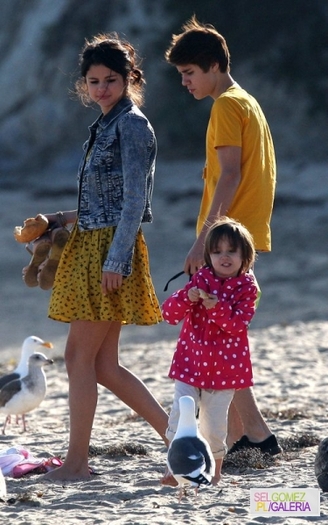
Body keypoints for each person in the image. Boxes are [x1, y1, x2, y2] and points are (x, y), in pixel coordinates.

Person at [39, 33, 169, 481]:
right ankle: (180, 441)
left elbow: (134, 201)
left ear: (130, 78)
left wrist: (116, 261)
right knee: (103, 365)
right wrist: (60, 218)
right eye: (93, 81)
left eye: (111, 80)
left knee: (79, 358)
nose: (101, 89)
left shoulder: (132, 125)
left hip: (109, 250)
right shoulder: (106, 122)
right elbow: (105, 199)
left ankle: (77, 463)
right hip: (94, 241)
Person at [165, 17, 281, 455]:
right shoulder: (247, 101)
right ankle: (249, 433)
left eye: (189, 73)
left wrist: (205, 239)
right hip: (240, 234)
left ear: (213, 66)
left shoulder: (227, 105)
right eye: (181, 75)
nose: (185, 82)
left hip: (226, 240)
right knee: (220, 338)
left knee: (215, 340)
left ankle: (252, 433)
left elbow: (230, 174)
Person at [162, 217, 258, 484]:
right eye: (217, 252)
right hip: (189, 364)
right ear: (208, 255)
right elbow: (168, 315)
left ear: (245, 256)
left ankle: (215, 474)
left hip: (225, 372)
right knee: (180, 416)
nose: (223, 257)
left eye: (231, 251)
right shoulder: (201, 278)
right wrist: (186, 296)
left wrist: (215, 307)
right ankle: (173, 469)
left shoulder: (248, 288)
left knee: (213, 426)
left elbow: (238, 325)